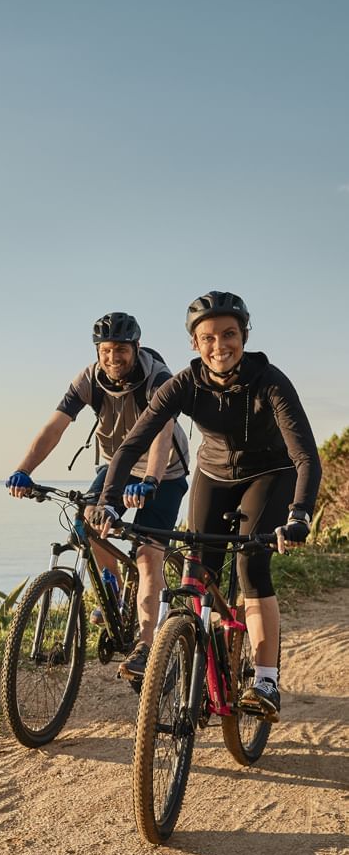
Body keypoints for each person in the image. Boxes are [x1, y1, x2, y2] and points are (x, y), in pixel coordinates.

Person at [94, 291, 321, 719]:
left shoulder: (270, 380)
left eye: (229, 334)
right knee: (195, 574)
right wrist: (108, 502)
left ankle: (266, 680)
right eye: (208, 338)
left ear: (244, 335)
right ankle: (198, 653)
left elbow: (305, 456)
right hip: (213, 475)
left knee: (250, 568)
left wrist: (299, 515)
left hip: (268, 475)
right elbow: (132, 443)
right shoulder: (184, 383)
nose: (220, 346)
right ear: (195, 344)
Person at [6, 312, 190, 663]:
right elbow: (54, 427)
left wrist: (150, 479)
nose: (112, 358)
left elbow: (162, 433)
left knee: (148, 555)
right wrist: (23, 470)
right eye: (105, 350)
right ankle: (114, 589)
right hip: (115, 470)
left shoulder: (158, 378)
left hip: (163, 473)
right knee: (86, 525)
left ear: (136, 347)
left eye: (120, 349)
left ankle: (146, 649)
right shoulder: (89, 379)